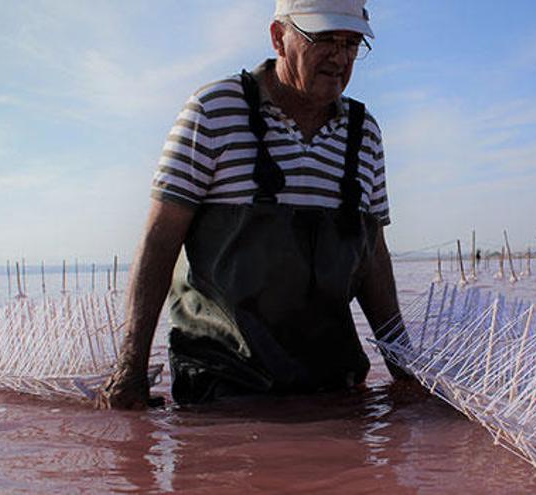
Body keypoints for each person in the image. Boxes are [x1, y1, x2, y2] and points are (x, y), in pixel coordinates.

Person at [97, 0, 409, 409]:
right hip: (223, 389)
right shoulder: (213, 111)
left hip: (333, 389)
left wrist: (406, 371)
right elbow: (160, 239)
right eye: (325, 39)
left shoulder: (364, 133)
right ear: (279, 38)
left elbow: (373, 260)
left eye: (352, 44)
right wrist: (131, 369)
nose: (340, 57)